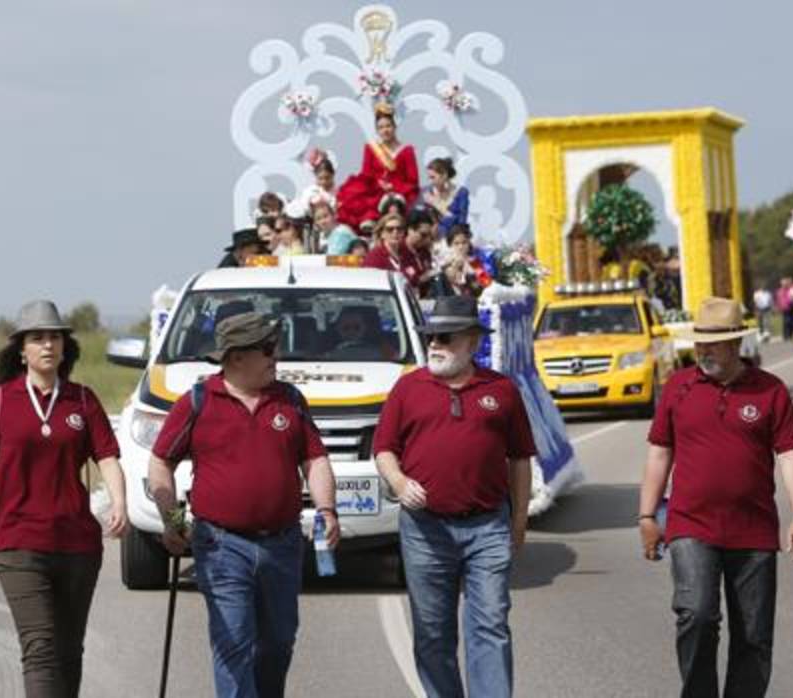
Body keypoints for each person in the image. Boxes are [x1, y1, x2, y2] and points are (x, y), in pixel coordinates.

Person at [148, 312, 338, 698]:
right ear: (235, 357)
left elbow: (314, 459)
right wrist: (173, 520)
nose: (276, 356)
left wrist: (327, 509)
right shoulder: (197, 401)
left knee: (278, 643)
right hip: (221, 545)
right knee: (232, 642)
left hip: (283, 544)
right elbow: (160, 463)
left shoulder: (290, 399)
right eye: (267, 349)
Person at [0, 300, 128, 697]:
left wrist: (119, 503)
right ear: (22, 349)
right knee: (41, 649)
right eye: (37, 338)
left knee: (68, 651)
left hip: (77, 544)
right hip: (19, 541)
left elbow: (108, 458)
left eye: (55, 337)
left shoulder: (82, 400)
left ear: (65, 347)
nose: (47, 345)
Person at [638, 296, 793, 698]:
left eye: (713, 343)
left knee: (753, 634)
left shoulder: (771, 391)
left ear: (736, 345)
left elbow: (789, 453)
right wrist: (647, 516)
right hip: (690, 525)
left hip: (753, 531)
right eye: (699, 342)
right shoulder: (678, 387)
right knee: (696, 615)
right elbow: (659, 451)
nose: (704, 350)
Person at [373, 294, 536, 698]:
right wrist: (398, 482)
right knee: (432, 632)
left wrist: (518, 523)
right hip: (426, 531)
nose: (435, 345)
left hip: (488, 526)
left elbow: (519, 459)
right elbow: (384, 450)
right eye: (431, 336)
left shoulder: (501, 390)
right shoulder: (408, 387)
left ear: (472, 342)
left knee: (491, 624)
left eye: (445, 337)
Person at [335, 101, 419, 232]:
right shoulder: (371, 149)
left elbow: (413, 181)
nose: (385, 130)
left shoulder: (407, 150)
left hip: (398, 192)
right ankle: (367, 222)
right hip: (375, 188)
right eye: (380, 127)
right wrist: (379, 184)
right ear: (377, 130)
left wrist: (393, 187)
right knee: (353, 193)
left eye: (388, 126)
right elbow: (366, 174)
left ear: (394, 127)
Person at [363, 212, 421, 289]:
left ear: (404, 232)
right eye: (390, 229)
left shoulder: (407, 254)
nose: (395, 232)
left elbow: (415, 280)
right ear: (382, 233)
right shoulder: (374, 257)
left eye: (399, 229)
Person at [421, 157, 470, 238]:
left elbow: (461, 223)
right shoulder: (428, 192)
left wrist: (438, 204)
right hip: (432, 239)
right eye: (429, 178)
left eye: (433, 177)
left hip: (454, 238)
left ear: (444, 175)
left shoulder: (461, 192)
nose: (430, 181)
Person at [440, 224, 490, 297]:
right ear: (450, 245)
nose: (461, 247)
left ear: (469, 243)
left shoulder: (474, 261)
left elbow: (486, 282)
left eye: (464, 243)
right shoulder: (446, 263)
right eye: (456, 243)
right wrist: (456, 266)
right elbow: (450, 280)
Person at [406, 208, 438, 296]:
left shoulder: (425, 252)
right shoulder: (399, 251)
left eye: (429, 235)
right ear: (410, 230)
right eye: (423, 235)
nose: (427, 239)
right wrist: (424, 278)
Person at [775, 277, 793, 342]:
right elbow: (778, 300)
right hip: (785, 308)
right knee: (786, 322)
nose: (785, 285)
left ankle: (790, 335)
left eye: (786, 284)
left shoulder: (790, 290)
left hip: (791, 306)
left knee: (791, 321)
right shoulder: (780, 291)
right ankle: (786, 335)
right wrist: (778, 307)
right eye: (784, 284)